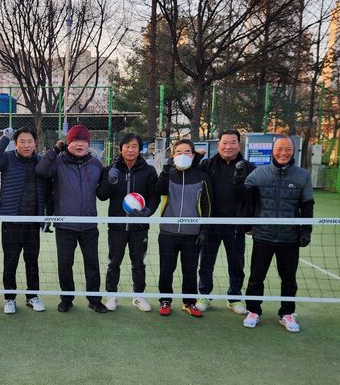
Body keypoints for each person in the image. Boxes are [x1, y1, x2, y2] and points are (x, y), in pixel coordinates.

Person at [240, 135, 313, 332]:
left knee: (289, 278)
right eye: (279, 149)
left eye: (287, 149)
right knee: (256, 277)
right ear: (272, 151)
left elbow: (307, 205)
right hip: (263, 236)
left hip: (289, 238)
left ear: (294, 151)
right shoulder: (259, 173)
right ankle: (253, 310)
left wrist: (307, 230)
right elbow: (242, 195)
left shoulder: (303, 176)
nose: (283, 153)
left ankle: (287, 313)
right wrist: (238, 179)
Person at [36, 124, 108, 313]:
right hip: (65, 225)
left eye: (84, 141)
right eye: (75, 140)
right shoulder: (58, 161)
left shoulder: (96, 164)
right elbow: (41, 170)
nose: (80, 144)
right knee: (65, 264)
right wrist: (54, 150)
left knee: (92, 264)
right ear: (68, 143)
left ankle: (94, 300)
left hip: (89, 224)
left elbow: (103, 192)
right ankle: (66, 299)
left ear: (88, 144)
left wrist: (111, 178)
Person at [195, 129, 256, 314]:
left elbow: (255, 196)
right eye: (224, 143)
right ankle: (204, 295)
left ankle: (235, 297)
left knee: (236, 264)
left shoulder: (249, 167)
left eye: (233, 142)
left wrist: (252, 222)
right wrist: (196, 158)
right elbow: (187, 171)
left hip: (236, 226)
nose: (228, 146)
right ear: (218, 144)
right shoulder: (207, 164)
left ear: (239, 145)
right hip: (210, 225)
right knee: (206, 263)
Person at [0, 126, 47, 314]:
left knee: (32, 261)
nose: (26, 145)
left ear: (35, 143)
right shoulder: (7, 158)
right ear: (16, 144)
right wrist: (4, 138)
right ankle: (9, 298)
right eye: (22, 142)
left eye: (30, 141)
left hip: (33, 222)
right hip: (11, 222)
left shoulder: (41, 161)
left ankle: (32, 296)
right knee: (10, 261)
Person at [96, 133, 159, 312]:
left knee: (138, 263)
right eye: (127, 146)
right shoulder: (110, 169)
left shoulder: (149, 171)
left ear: (139, 149)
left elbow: (154, 196)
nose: (130, 150)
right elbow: (101, 195)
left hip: (139, 228)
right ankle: (111, 295)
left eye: (134, 146)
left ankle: (138, 296)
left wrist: (148, 211)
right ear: (121, 148)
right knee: (113, 262)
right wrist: (110, 181)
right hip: (116, 227)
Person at [156, 139, 211, 318]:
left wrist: (204, 230)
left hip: (192, 234)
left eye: (187, 152)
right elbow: (160, 190)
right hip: (168, 232)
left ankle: (189, 302)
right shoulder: (168, 174)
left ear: (193, 155)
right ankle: (165, 300)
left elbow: (207, 205)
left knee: (190, 270)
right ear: (173, 155)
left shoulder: (202, 177)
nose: (183, 155)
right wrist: (165, 171)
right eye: (179, 152)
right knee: (166, 269)